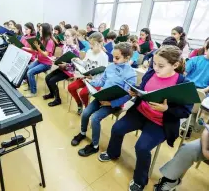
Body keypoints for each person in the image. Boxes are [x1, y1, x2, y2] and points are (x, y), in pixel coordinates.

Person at [98, 46, 193, 191]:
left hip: (160, 122)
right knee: (117, 128)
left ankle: (140, 180)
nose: (155, 68)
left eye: (161, 66)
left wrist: (167, 109)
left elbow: (186, 111)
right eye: (154, 63)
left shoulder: (183, 84)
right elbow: (143, 88)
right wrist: (135, 91)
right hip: (140, 113)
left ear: (175, 65)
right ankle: (113, 153)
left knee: (142, 147)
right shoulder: (151, 73)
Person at [71, 42, 137, 157]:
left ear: (127, 58)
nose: (114, 60)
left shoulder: (131, 74)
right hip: (102, 96)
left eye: (117, 58)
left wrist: (110, 103)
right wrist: (89, 81)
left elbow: (127, 95)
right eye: (113, 57)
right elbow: (102, 81)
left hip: (114, 103)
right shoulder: (110, 67)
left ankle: (94, 146)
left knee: (95, 118)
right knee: (86, 113)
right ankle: (82, 133)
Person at [67, 32, 109, 115]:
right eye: (90, 44)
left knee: (83, 93)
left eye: (92, 44)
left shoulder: (104, 56)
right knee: (70, 87)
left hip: (96, 81)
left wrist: (92, 78)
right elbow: (85, 63)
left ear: (99, 43)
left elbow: (103, 73)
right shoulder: (89, 51)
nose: (90, 46)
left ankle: (87, 108)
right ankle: (79, 104)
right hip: (85, 77)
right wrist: (78, 61)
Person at [43, 29, 80, 107]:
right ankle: (52, 94)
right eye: (65, 36)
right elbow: (63, 57)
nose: (66, 38)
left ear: (73, 37)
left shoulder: (75, 49)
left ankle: (58, 100)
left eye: (68, 36)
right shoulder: (65, 45)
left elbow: (76, 65)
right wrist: (56, 59)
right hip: (62, 68)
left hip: (69, 71)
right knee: (47, 78)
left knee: (52, 80)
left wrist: (66, 65)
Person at [24, 23, 55, 98]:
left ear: (45, 31)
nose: (39, 31)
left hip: (46, 64)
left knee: (30, 72)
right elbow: (35, 51)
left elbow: (46, 54)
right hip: (40, 61)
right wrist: (31, 47)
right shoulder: (41, 39)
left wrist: (38, 48)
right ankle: (30, 86)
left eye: (40, 30)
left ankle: (33, 92)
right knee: (27, 68)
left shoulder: (50, 41)